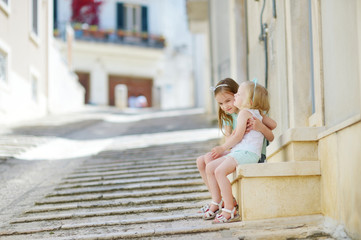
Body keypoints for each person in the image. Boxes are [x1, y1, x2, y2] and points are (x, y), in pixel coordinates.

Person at [197, 78, 276, 213]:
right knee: (202, 160)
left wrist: (259, 126)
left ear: (237, 95)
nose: (225, 106)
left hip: (251, 153)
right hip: (237, 150)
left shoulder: (250, 111)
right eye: (221, 103)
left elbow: (272, 128)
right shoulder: (228, 116)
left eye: (228, 100)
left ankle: (223, 201)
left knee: (212, 164)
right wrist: (231, 137)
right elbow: (231, 142)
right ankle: (218, 199)